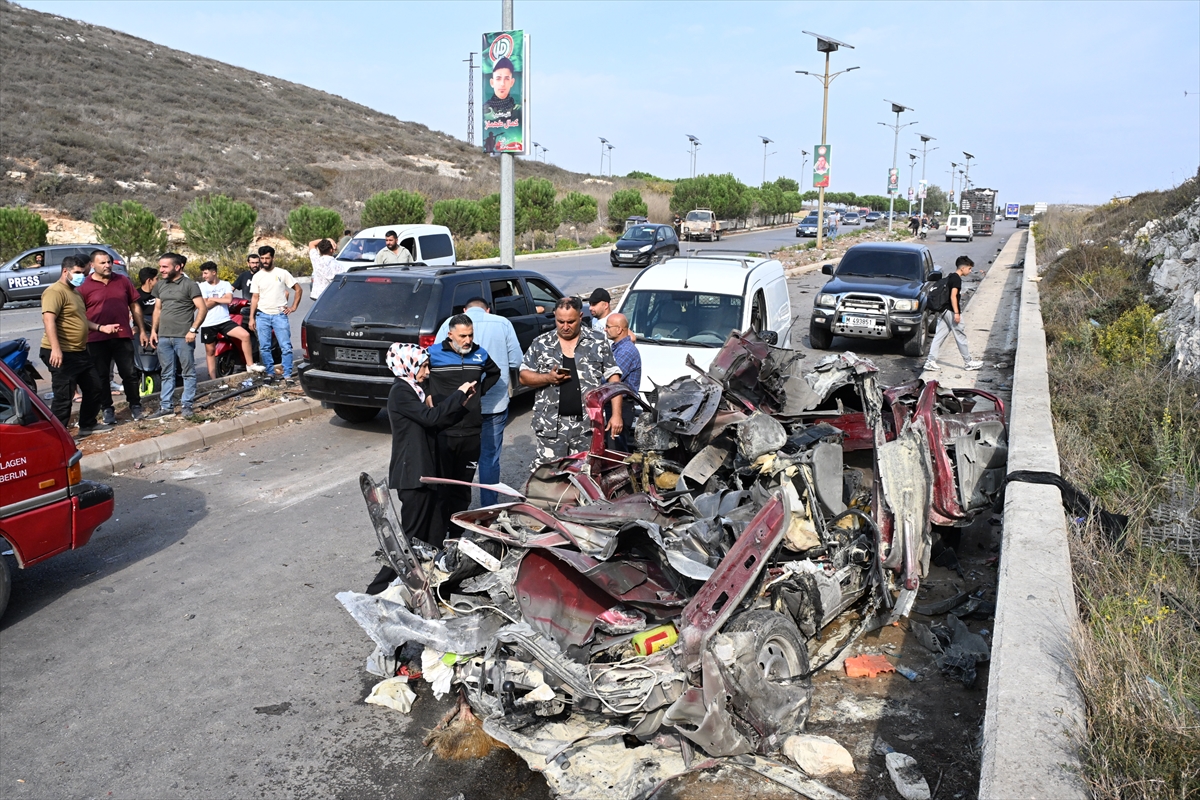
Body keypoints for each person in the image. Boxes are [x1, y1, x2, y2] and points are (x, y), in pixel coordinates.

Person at [365, 343, 477, 593]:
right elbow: (431, 418)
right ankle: (376, 590)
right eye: (423, 366)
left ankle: (436, 587)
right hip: (413, 475)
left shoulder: (415, 390)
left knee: (434, 533)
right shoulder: (401, 391)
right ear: (407, 365)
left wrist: (460, 403)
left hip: (428, 473)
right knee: (410, 537)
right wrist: (457, 396)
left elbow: (434, 423)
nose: (427, 372)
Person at [434, 297, 522, 508]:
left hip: (458, 409)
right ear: (488, 309)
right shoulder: (503, 323)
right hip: (494, 405)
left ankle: (449, 509)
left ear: (465, 310)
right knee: (489, 459)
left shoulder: (450, 323)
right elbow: (515, 362)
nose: (467, 339)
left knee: (454, 459)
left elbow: (436, 356)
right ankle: (488, 510)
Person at [519, 297, 624, 462]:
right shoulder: (541, 343)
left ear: (581, 316)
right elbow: (524, 376)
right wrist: (548, 377)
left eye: (570, 322)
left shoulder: (597, 341)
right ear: (554, 316)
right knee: (550, 481)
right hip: (550, 428)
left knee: (585, 477)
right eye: (560, 321)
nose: (565, 327)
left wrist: (616, 414)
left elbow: (614, 378)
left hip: (587, 428)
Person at [427, 314, 501, 533]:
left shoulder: (480, 354)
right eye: (462, 336)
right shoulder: (433, 354)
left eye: (470, 335)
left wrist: (479, 393)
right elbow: (418, 376)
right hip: (443, 431)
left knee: (463, 488)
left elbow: (495, 373)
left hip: (471, 431)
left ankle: (457, 534)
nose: (468, 340)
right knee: (441, 487)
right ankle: (438, 535)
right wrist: (428, 394)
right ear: (450, 335)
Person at [40, 256, 121, 437]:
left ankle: (87, 424)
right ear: (65, 271)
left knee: (94, 387)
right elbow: (49, 320)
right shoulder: (54, 291)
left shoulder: (75, 292)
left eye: (84, 273)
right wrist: (56, 348)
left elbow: (80, 320)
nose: (81, 277)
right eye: (77, 273)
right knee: (64, 397)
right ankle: (58, 438)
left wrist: (101, 328)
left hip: (79, 351)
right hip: (61, 352)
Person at [79, 249, 146, 423]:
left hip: (122, 336)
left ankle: (135, 406)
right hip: (96, 339)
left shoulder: (122, 281)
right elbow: (78, 315)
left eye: (109, 262)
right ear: (92, 265)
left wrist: (142, 329)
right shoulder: (84, 286)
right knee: (101, 376)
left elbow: (134, 305)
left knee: (130, 373)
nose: (108, 265)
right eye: (103, 263)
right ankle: (107, 409)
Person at [149, 253, 206, 418]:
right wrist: (154, 331)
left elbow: (202, 309)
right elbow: (158, 310)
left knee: (188, 372)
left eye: (165, 267)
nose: (161, 270)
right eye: (161, 266)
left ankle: (187, 405)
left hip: (183, 337)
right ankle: (166, 407)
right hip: (164, 337)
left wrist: (193, 330)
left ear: (178, 267)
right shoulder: (160, 286)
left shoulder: (190, 285)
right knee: (167, 372)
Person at [199, 262, 262, 379]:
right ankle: (213, 379)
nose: (204, 276)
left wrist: (212, 299)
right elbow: (205, 304)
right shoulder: (202, 286)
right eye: (203, 273)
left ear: (214, 272)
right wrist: (220, 299)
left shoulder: (225, 284)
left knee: (245, 335)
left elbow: (228, 300)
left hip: (224, 321)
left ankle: (250, 365)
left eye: (206, 273)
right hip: (207, 323)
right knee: (210, 351)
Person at [248, 245, 302, 381]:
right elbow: (255, 297)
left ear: (273, 258)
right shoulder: (257, 277)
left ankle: (287, 374)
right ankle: (270, 373)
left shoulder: (282, 273)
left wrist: (293, 307)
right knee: (265, 347)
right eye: (262, 258)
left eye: (267, 258)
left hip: (279, 315)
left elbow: (298, 289)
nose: (265, 261)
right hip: (262, 315)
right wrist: (251, 318)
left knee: (286, 346)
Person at [924, 255, 984, 372]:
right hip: (950, 311)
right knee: (960, 335)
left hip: (943, 310)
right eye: (969, 268)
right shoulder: (956, 279)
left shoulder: (951, 276)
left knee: (939, 336)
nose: (970, 271)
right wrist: (957, 313)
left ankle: (930, 361)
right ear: (963, 268)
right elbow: (953, 297)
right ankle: (968, 362)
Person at [604, 312, 640, 452]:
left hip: (621, 406)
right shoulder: (619, 348)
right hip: (615, 405)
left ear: (619, 329)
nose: (605, 329)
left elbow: (611, 377)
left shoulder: (625, 351)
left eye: (608, 326)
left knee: (616, 452)